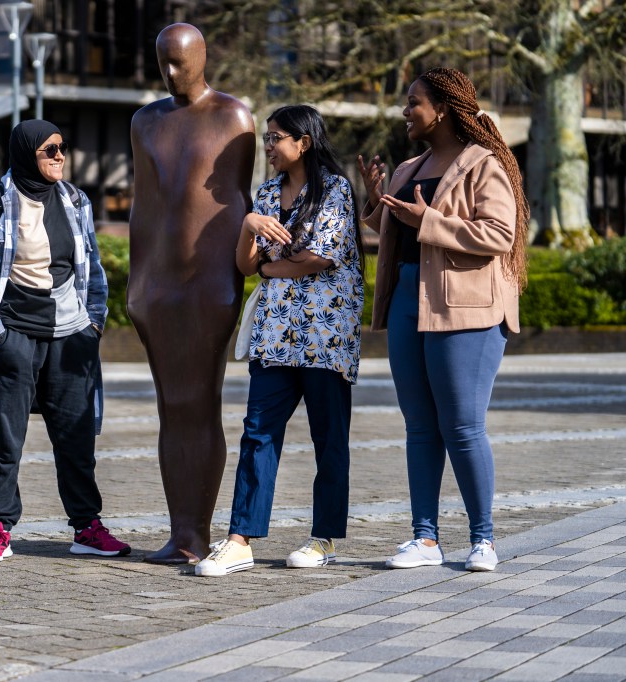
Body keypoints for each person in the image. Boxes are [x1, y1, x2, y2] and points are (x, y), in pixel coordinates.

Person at [357, 67, 529, 572]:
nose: (405, 111)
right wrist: (376, 202)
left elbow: (499, 233)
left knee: (463, 426)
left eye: (413, 102)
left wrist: (427, 221)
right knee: (420, 427)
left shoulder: (486, 164)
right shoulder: (411, 168)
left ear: (444, 109)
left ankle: (483, 540)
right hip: (410, 301)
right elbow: (396, 228)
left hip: (469, 309)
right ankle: (425, 540)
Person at [195, 105, 364, 577]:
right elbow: (246, 265)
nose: (268, 147)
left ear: (303, 142)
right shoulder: (267, 193)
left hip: (325, 337)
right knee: (257, 434)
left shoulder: (334, 189)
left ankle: (323, 539)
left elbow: (317, 258)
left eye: (276, 138)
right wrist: (250, 225)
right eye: (266, 138)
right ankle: (240, 540)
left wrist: (271, 266)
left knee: (328, 438)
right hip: (275, 336)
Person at [0, 119, 130, 563]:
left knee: (76, 439)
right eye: (49, 150)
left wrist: (93, 325)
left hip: (72, 338)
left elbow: (93, 269)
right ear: (26, 153)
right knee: (6, 441)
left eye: (62, 148)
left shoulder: (75, 200)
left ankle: (87, 527)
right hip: (14, 335)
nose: (59, 157)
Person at [127, 23, 256, 565]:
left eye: (179, 62)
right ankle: (181, 533)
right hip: (158, 286)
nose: (171, 73)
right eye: (163, 63)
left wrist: (233, 280)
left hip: (209, 283)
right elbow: (144, 207)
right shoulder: (146, 120)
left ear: (202, 59)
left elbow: (239, 205)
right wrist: (137, 284)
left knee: (199, 404)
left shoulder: (233, 118)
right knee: (170, 408)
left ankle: (197, 534)